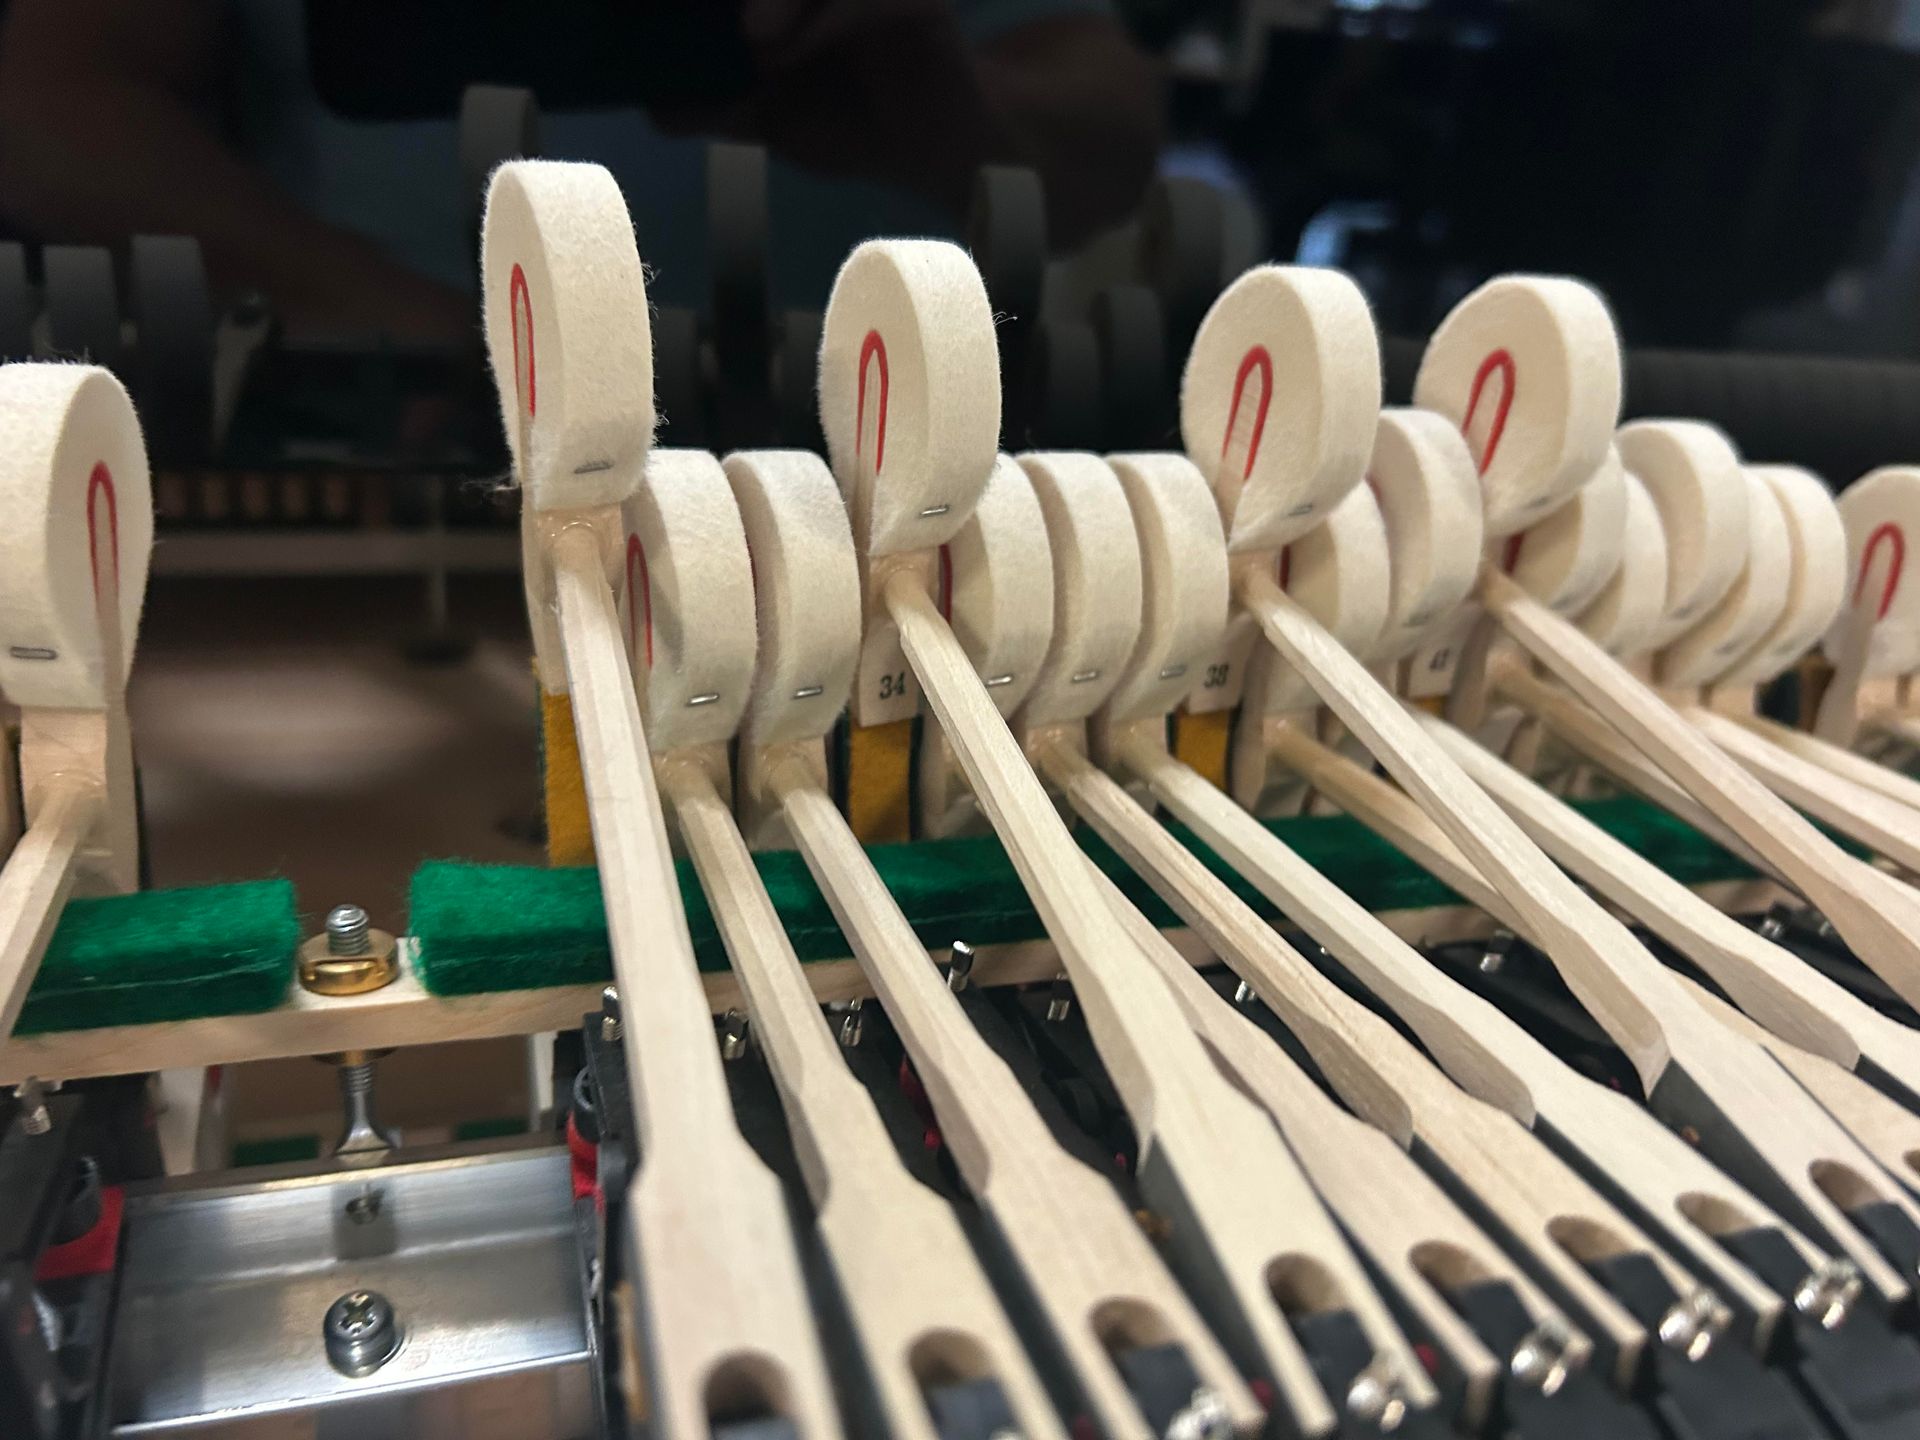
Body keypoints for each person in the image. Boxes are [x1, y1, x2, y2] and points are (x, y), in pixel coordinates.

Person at [0, 0, 1165, 339]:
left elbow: (1108, 152)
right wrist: (377, 309)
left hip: (874, 445)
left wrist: (936, 109)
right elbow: (48, 102)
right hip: (404, 466)